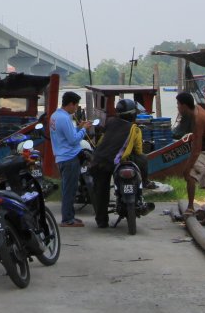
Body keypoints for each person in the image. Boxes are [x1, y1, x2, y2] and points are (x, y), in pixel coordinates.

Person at [89, 98, 145, 228]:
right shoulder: (134, 129)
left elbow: (102, 141)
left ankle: (102, 221)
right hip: (115, 162)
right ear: (132, 114)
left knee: (101, 192)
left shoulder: (110, 122)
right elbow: (138, 151)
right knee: (143, 160)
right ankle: (146, 183)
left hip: (98, 161)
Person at [176, 92, 205, 226]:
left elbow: (196, 150)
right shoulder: (197, 109)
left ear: (184, 105)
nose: (177, 108)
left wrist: (187, 167)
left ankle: (190, 208)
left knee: (190, 176)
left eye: (178, 105)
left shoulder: (198, 120)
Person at [51, 90, 90, 227]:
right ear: (71, 104)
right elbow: (73, 140)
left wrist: (78, 128)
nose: (76, 109)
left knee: (68, 188)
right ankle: (67, 219)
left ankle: (70, 216)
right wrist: (84, 129)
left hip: (61, 157)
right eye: (76, 105)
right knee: (70, 190)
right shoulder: (65, 118)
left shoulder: (55, 116)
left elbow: (66, 135)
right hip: (69, 157)